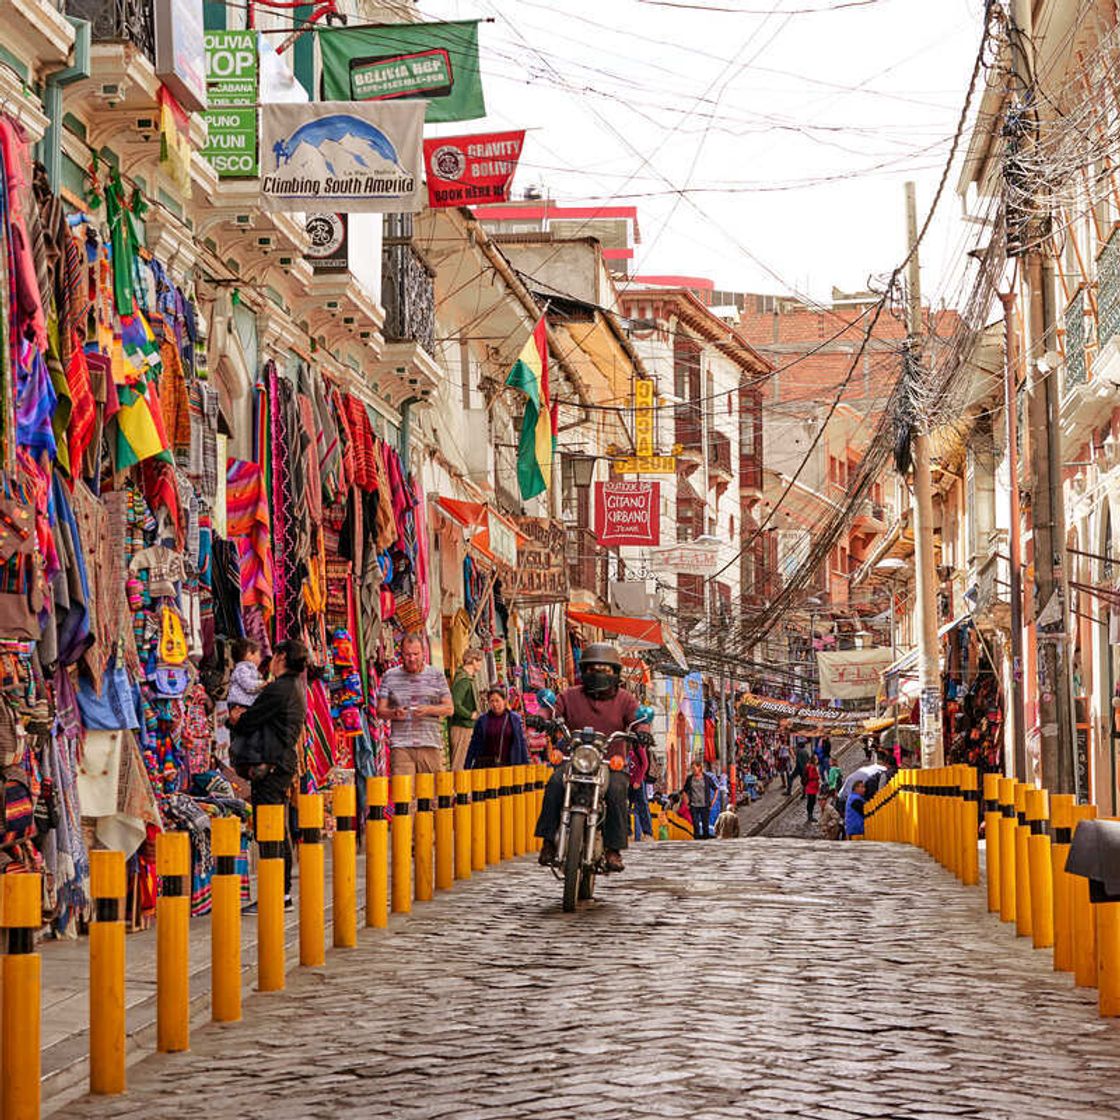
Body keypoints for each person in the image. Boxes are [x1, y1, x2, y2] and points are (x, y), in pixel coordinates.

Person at [533, 643, 647, 872]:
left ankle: (613, 849)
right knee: (555, 784)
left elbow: (638, 719)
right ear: (584, 671)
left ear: (615, 673)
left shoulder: (625, 699)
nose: (599, 674)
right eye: (593, 669)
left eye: (605, 670)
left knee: (616, 791)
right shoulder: (570, 695)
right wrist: (542, 717)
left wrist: (642, 732)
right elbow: (553, 709)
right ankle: (547, 842)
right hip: (575, 760)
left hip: (609, 763)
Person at [232, 639, 309, 906]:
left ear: (282, 657)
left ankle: (275, 894)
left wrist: (236, 718)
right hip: (281, 765)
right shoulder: (295, 687)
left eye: (274, 656)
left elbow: (249, 720)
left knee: (270, 831)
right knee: (278, 829)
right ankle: (282, 892)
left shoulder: (279, 689)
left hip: (271, 767)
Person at [376, 633, 454, 777]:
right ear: (401, 654)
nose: (412, 658)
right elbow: (380, 711)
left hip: (430, 744)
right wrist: (395, 713)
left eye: (416, 654)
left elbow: (449, 709)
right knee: (404, 795)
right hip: (401, 746)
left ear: (423, 653)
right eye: (407, 654)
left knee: (432, 794)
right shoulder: (389, 676)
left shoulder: (436, 675)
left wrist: (428, 709)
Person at [464, 686, 529, 769]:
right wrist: (467, 765)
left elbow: (521, 743)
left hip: (510, 767)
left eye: (497, 701)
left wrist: (526, 766)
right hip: (486, 768)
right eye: (491, 701)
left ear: (505, 701)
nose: (495, 704)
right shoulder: (482, 721)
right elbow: (473, 745)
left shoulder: (514, 719)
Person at [449, 648, 484, 771]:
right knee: (459, 762)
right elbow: (455, 703)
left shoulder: (467, 679)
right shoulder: (463, 680)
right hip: (462, 727)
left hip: (466, 726)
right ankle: (456, 788)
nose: (480, 664)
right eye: (479, 661)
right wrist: (470, 715)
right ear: (473, 661)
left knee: (464, 761)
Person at [227, 637, 265, 725]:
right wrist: (262, 684)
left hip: (245, 704)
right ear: (249, 654)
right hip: (240, 704)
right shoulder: (243, 668)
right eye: (258, 655)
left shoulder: (249, 670)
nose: (260, 659)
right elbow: (248, 685)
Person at [680, 759, 717, 840]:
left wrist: (712, 802)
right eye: (692, 768)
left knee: (705, 826)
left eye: (694, 768)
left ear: (699, 767)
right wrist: (687, 803)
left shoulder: (706, 778)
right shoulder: (690, 779)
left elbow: (716, 789)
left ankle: (706, 843)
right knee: (696, 826)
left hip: (705, 805)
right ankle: (696, 843)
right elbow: (684, 791)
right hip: (694, 805)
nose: (693, 770)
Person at [803, 757, 820, 824]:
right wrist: (817, 777)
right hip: (811, 786)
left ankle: (810, 815)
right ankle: (810, 815)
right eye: (816, 759)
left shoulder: (809, 766)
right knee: (811, 801)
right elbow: (811, 776)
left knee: (811, 801)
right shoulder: (812, 767)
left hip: (811, 786)